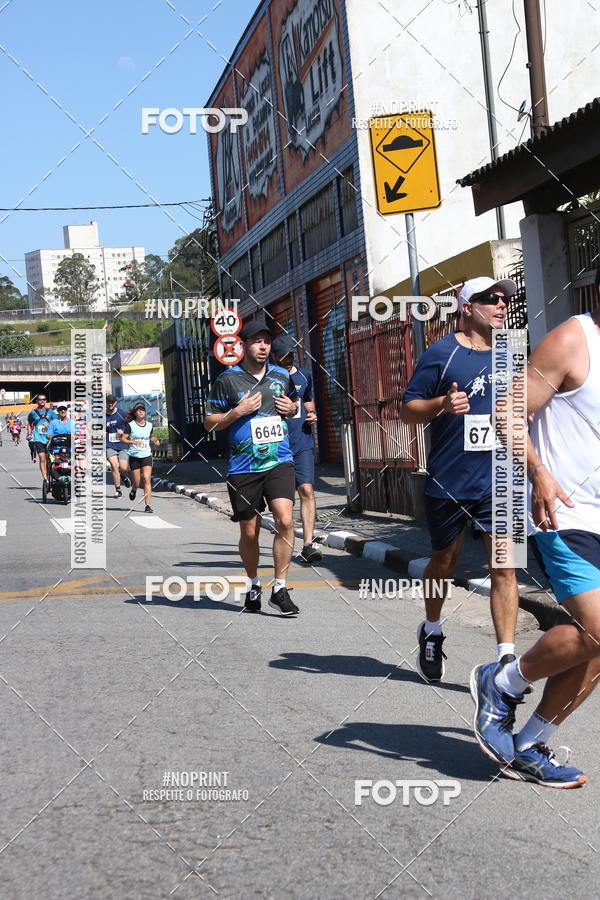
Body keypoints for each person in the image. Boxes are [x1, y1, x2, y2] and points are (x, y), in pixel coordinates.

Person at [470, 290, 600, 789]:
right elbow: (506, 412)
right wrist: (538, 470)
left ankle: (528, 744)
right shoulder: (573, 338)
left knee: (595, 644)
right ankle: (502, 681)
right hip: (566, 516)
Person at [400, 277, 520, 683]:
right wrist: (441, 404)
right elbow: (408, 410)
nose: (501, 305)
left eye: (504, 299)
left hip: (500, 479)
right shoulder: (442, 353)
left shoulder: (512, 352)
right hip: (450, 480)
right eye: (490, 299)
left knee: (505, 567)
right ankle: (432, 630)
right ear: (466, 307)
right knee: (444, 563)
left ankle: (506, 660)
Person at [204, 318, 300, 616]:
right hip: (243, 465)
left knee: (285, 520)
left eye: (267, 341)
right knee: (250, 531)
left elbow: (296, 404)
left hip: (279, 460)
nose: (263, 346)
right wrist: (237, 412)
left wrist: (293, 409)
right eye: (257, 341)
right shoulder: (228, 380)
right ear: (243, 345)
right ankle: (254, 583)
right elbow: (209, 423)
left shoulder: (282, 375)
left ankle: (280, 588)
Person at [271, 334, 322, 564]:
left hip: (301, 442)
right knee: (284, 499)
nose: (289, 358)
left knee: (307, 490)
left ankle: (308, 545)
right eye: (284, 355)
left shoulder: (304, 376)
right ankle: (286, 540)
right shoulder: (268, 379)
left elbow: (309, 401)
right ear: (274, 356)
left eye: (292, 354)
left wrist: (312, 414)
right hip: (277, 444)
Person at [121, 401, 160, 513]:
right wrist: (132, 442)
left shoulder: (150, 425)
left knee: (147, 479)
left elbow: (151, 436)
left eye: (143, 410)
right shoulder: (130, 425)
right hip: (134, 456)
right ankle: (134, 489)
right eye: (139, 410)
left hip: (146, 455)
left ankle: (147, 505)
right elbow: (123, 439)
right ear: (135, 413)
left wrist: (155, 440)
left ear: (145, 412)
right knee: (137, 481)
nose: (141, 411)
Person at [27, 394, 58, 481]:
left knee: (49, 460)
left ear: (46, 401)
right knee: (42, 458)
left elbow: (56, 423)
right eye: (40, 399)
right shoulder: (33, 413)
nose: (42, 401)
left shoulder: (51, 412)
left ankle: (48, 475)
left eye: (44, 399)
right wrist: (29, 434)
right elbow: (29, 424)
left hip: (49, 438)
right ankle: (45, 478)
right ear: (37, 401)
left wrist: (49, 426)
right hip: (38, 438)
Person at [105, 394, 131, 498]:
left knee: (123, 468)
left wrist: (123, 432)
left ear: (115, 402)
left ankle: (124, 476)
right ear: (106, 402)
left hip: (122, 443)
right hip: (109, 444)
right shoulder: (103, 415)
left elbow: (130, 427)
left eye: (112, 402)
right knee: (114, 466)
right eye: (108, 402)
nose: (110, 404)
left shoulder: (122, 413)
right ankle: (118, 490)